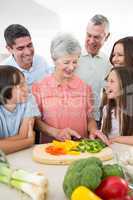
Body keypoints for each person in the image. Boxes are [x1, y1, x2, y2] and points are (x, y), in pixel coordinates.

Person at [32, 33, 109, 144]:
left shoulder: (84, 87)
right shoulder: (39, 87)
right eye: (66, 62)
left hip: (80, 147)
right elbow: (36, 121)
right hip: (52, 149)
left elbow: (90, 118)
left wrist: (93, 130)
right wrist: (56, 132)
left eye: (75, 62)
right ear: (54, 60)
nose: (71, 67)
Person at [76, 14, 112, 128]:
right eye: (88, 35)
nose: (91, 41)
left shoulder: (108, 63)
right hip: (71, 118)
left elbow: (107, 93)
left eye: (96, 37)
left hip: (94, 120)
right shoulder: (72, 56)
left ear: (106, 37)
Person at [0, 65, 40, 154]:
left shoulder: (29, 99)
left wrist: (4, 143)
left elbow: (24, 135)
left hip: (22, 154)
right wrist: (28, 142)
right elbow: (26, 138)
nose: (27, 89)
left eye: (25, 83)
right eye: (21, 86)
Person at [2, 24, 52, 89]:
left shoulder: (41, 61)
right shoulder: (4, 73)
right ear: (9, 49)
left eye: (29, 45)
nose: (28, 52)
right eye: (20, 48)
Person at [101, 67, 133, 145]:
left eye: (112, 81)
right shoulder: (106, 109)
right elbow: (104, 136)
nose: (107, 85)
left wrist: (116, 139)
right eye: (107, 81)